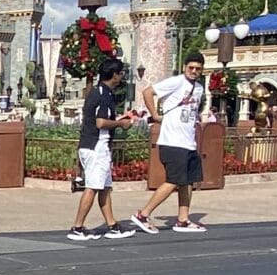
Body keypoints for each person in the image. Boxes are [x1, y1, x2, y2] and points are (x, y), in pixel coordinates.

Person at [131, 53, 208, 234]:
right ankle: (143, 214)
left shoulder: (199, 89)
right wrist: (155, 115)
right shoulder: (176, 82)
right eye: (191, 68)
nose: (194, 71)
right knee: (173, 180)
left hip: (188, 141)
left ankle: (183, 219)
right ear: (184, 67)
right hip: (172, 141)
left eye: (198, 69)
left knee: (188, 182)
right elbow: (148, 91)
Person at [67, 57, 133, 241]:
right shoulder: (103, 95)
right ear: (114, 74)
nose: (121, 77)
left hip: (93, 145)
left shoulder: (100, 92)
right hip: (97, 145)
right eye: (120, 73)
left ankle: (112, 225)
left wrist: (120, 118)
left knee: (104, 187)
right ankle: (77, 227)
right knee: (93, 187)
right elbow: (101, 122)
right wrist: (121, 124)